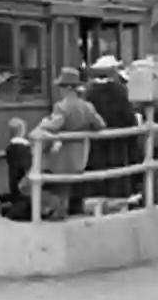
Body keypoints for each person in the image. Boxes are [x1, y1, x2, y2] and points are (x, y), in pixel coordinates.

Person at [32, 67, 106, 217]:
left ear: (66, 88)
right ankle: (68, 209)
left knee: (57, 185)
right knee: (70, 185)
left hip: (63, 155)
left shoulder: (61, 106)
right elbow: (100, 125)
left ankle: (58, 211)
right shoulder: (87, 106)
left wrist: (41, 125)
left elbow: (54, 125)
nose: (59, 91)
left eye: (61, 87)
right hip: (81, 154)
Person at [83, 55, 138, 199]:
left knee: (97, 171)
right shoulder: (119, 91)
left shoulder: (88, 92)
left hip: (95, 140)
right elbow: (129, 117)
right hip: (117, 140)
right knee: (117, 171)